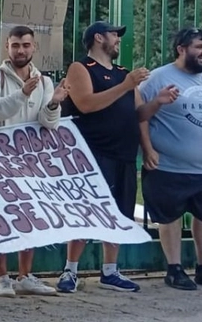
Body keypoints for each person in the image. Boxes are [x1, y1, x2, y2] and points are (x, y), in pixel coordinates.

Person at [138, 27, 202, 291]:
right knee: (169, 217)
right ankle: (174, 269)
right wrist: (147, 149)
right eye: (199, 47)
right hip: (169, 165)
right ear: (181, 49)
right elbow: (140, 115)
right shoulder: (158, 77)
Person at [56, 21, 148, 294]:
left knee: (119, 213)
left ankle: (110, 270)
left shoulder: (123, 73)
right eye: (114, 34)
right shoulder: (81, 68)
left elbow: (140, 113)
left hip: (124, 153)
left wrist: (160, 102)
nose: (118, 39)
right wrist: (126, 86)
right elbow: (86, 104)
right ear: (98, 38)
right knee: (86, 210)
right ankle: (70, 269)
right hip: (93, 152)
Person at [0, 26, 65, 297]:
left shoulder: (44, 81)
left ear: (34, 47)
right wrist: (23, 93)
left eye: (26, 45)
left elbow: (48, 123)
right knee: (0, 217)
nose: (21, 50)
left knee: (31, 216)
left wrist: (54, 104)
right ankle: (2, 276)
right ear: (7, 46)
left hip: (32, 161)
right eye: (15, 45)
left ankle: (25, 275)